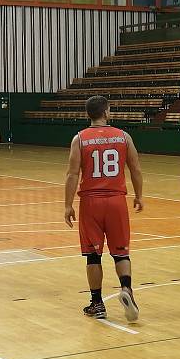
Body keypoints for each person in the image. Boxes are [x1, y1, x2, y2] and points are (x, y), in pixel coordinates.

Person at [64, 96, 143, 322]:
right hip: (116, 201)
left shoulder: (79, 139)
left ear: (89, 114)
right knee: (121, 252)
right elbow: (135, 169)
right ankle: (126, 289)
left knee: (93, 255)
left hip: (91, 202)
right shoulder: (123, 136)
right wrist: (139, 195)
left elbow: (72, 174)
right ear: (106, 112)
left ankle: (97, 303)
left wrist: (68, 205)